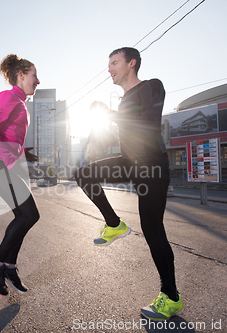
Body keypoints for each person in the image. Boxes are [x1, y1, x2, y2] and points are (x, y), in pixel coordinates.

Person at [74, 47, 183, 321]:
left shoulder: (151, 87)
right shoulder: (123, 101)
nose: (109, 68)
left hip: (152, 165)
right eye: (108, 64)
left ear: (131, 63)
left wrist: (109, 114)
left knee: (152, 228)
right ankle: (114, 224)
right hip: (130, 161)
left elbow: (147, 124)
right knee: (84, 173)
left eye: (114, 63)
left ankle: (170, 297)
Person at [0, 54, 41, 297]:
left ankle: (9, 266)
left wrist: (23, 153)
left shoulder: (21, 102)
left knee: (23, 216)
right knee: (29, 214)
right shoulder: (9, 96)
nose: (38, 80)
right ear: (21, 75)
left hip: (8, 163)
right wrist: (5, 157)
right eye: (34, 75)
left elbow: (8, 135)